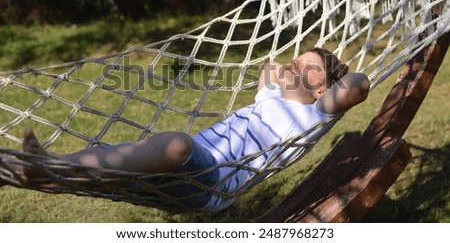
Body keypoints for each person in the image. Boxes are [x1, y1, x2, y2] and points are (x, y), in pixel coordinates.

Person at [2, 47, 370, 212]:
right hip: (185, 168)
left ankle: (50, 167)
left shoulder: (312, 117)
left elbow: (358, 84)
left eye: (305, 70)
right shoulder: (269, 100)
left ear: (323, 91)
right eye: (295, 61)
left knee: (176, 144)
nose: (292, 67)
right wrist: (300, 66)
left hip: (208, 181)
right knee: (122, 165)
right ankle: (42, 169)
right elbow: (271, 67)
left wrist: (326, 77)